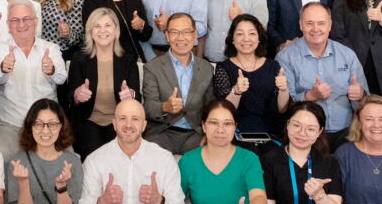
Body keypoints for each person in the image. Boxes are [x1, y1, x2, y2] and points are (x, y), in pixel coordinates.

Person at [276, 2, 368, 152]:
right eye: (309, 23)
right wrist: (311, 96)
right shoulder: (286, 57)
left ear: (330, 25)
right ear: (300, 25)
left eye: (321, 23)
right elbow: (284, 108)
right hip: (305, 136)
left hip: (346, 133)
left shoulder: (347, 55)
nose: (315, 29)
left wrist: (360, 95)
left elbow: (366, 104)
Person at [0, 0, 68, 157]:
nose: (21, 24)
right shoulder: (1, 49)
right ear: (8, 25)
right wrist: (3, 68)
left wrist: (51, 70)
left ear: (35, 22)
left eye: (26, 19)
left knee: (67, 158)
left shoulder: (50, 48)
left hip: (47, 124)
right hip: (9, 124)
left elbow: (61, 78)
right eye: (15, 20)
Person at [66, 8, 141, 156]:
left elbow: (137, 95)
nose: (102, 30)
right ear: (90, 31)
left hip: (120, 122)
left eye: (107, 25)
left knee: (119, 156)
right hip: (88, 121)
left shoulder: (128, 60)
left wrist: (130, 95)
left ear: (116, 30)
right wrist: (77, 95)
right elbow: (70, 97)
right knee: (94, 156)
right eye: (97, 26)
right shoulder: (79, 59)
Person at [142, 13, 214, 155]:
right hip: (161, 132)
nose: (181, 38)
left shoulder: (207, 68)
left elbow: (211, 107)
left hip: (195, 134)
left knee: (204, 160)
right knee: (152, 158)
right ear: (167, 36)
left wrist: (209, 134)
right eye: (174, 32)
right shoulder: (152, 68)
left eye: (186, 32)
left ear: (195, 35)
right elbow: (148, 108)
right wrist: (165, 106)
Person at [212, 14, 288, 141]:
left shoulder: (273, 66)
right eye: (240, 34)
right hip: (235, 135)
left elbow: (282, 109)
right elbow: (224, 112)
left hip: (271, 134)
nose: (246, 39)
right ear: (232, 39)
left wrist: (284, 90)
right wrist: (236, 92)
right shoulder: (223, 68)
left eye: (252, 33)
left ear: (259, 38)